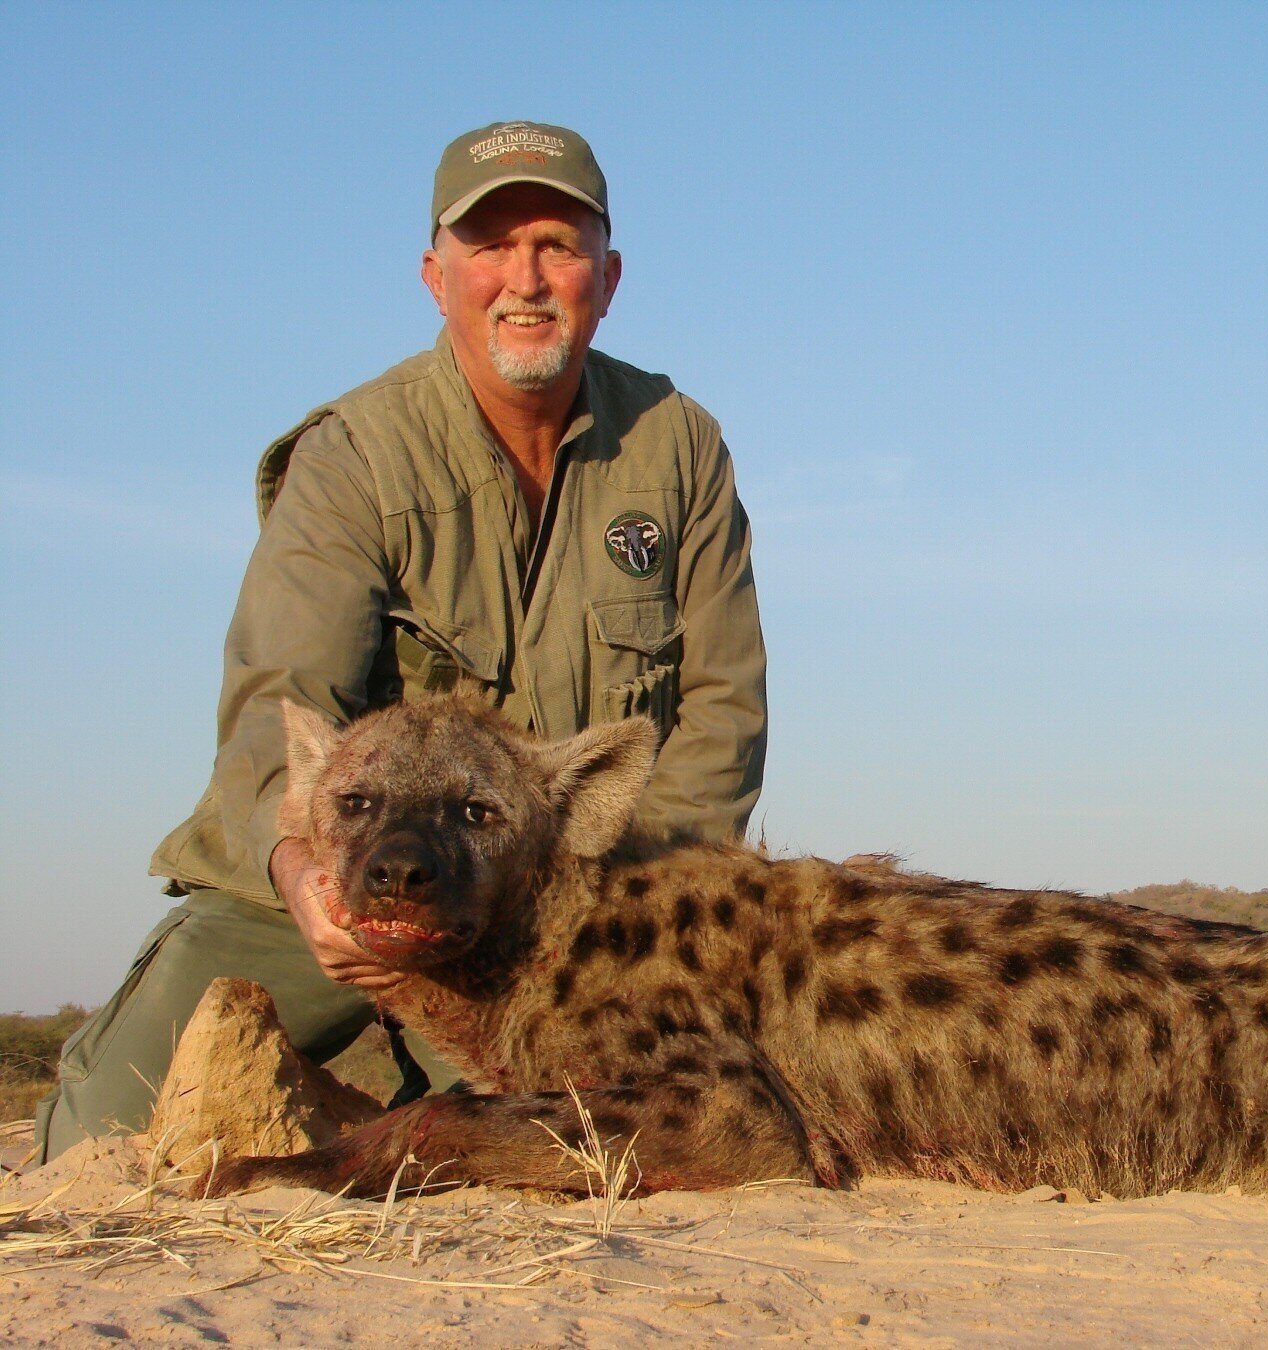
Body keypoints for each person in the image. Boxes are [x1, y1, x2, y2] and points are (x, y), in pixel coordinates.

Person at [34, 121, 768, 1163]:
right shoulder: (352, 455)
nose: (525, 278)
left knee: (695, 1119)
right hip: (339, 890)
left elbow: (724, 715)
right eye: (489, 245)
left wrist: (617, 902)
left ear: (608, 277)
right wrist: (301, 874)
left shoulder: (680, 443)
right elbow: (276, 705)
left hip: (565, 901)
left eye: (557, 245)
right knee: (106, 1138)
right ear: (436, 275)